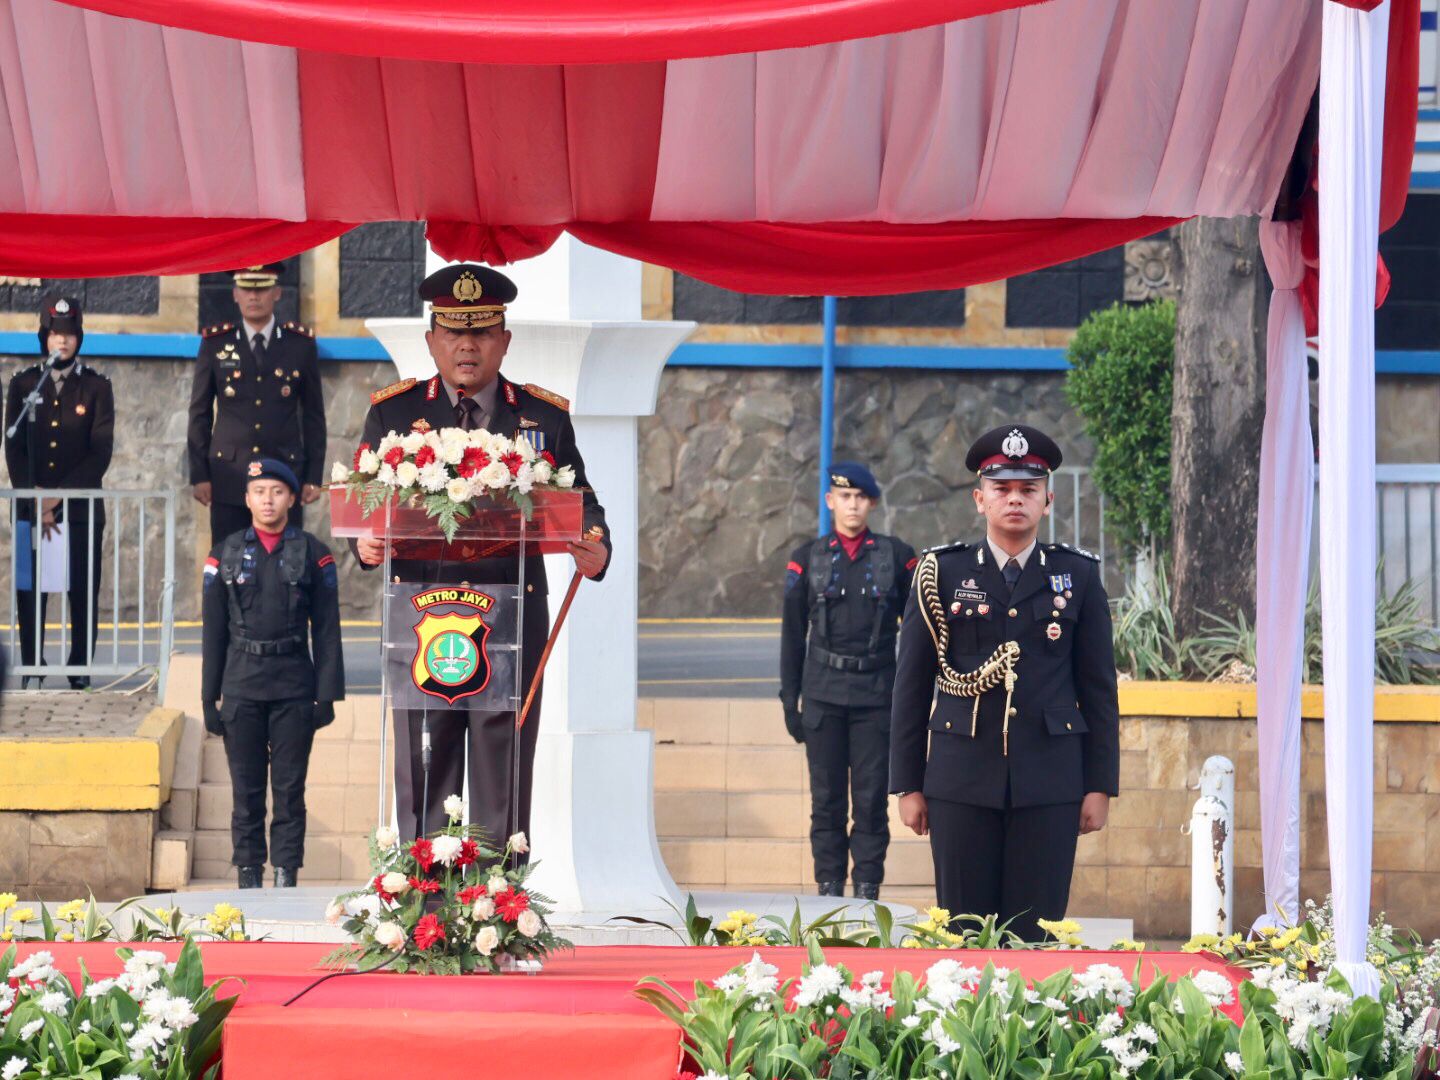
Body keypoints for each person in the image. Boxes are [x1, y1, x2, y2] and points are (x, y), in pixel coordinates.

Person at [353, 263, 611, 848]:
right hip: (422, 612)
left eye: (482, 333)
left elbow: (585, 503)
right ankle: (422, 889)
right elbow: (364, 500)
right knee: (425, 763)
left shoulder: (543, 418)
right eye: (453, 332)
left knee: (503, 768)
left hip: (509, 616)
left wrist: (595, 545)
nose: (467, 346)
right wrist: (364, 543)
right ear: (431, 340)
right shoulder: (394, 415)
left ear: (505, 340)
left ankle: (496, 895)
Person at [889, 424, 1119, 942]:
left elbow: (1099, 691)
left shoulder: (1078, 577)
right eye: (1002, 488)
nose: (1015, 499)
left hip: (1051, 782)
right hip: (959, 780)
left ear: (1048, 501)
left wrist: (1099, 785)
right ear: (979, 499)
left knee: (1035, 935)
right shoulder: (940, 574)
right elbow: (911, 687)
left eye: (1028, 489)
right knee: (964, 933)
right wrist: (907, 784)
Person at [201, 458, 344, 889]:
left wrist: (327, 695)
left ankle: (285, 878)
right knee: (245, 794)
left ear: (293, 499)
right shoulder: (223, 554)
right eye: (259, 492)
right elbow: (214, 631)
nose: (268, 500)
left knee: (289, 792)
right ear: (246, 499)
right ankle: (248, 878)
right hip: (241, 686)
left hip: (293, 687)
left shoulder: (314, 553)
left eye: (277, 492)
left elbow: (327, 628)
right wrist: (208, 698)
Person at [780, 463, 916, 900]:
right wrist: (789, 699)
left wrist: (912, 701)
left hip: (877, 697)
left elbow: (919, 634)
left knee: (872, 802)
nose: (852, 504)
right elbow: (792, 634)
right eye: (844, 496)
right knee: (827, 802)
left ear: (871, 502)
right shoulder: (808, 558)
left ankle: (867, 890)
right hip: (823, 696)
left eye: (860, 497)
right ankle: (829, 888)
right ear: (830, 502)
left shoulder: (897, 556)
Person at [3, 297, 114, 689]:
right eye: (54, 334)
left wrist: (58, 496)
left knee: (81, 589)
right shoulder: (24, 385)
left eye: (69, 334)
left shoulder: (97, 387)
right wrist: (35, 498)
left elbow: (100, 450)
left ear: (78, 338)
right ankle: (33, 665)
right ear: (44, 338)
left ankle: (79, 668)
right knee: (30, 588)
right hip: (31, 508)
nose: (62, 342)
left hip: (79, 510)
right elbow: (13, 446)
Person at [187, 264, 326, 542]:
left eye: (261, 288)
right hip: (230, 477)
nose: (253, 296)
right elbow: (200, 413)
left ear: (277, 293)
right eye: (246, 289)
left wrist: (313, 476)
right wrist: (200, 474)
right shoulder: (216, 343)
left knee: (286, 559)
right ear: (235, 294)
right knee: (228, 557)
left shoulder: (299, 345)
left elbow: (313, 415)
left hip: (283, 477)